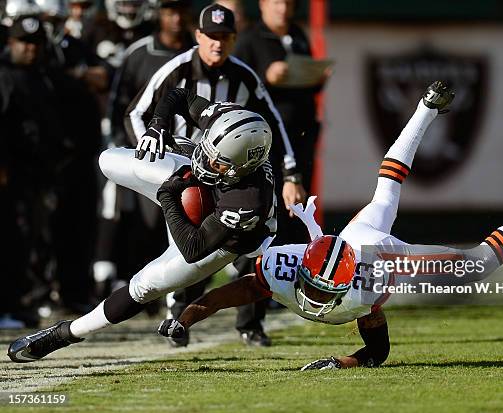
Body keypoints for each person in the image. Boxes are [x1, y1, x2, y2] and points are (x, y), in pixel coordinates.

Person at [153, 81, 503, 369]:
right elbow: (222, 296)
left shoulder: (365, 289)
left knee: (471, 267)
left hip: (378, 255)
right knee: (385, 192)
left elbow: (378, 352)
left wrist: (342, 362)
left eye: (321, 293)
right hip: (350, 241)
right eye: (314, 288)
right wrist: (186, 316)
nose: (313, 298)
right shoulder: (284, 270)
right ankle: (426, 108)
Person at [7, 86, 276, 362]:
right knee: (108, 160)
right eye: (206, 150)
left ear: (240, 168)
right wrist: (158, 126)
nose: (206, 162)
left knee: (145, 286)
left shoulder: (248, 200)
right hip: (197, 187)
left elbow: (193, 248)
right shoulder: (227, 121)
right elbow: (178, 94)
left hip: (217, 240)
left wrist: (168, 197)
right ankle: (185, 156)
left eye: (217, 163)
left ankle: (66, 333)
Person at [125, 3, 305, 345]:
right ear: (198, 36)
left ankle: (250, 325)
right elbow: (135, 112)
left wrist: (291, 173)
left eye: (224, 36)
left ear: (235, 39)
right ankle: (177, 316)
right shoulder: (176, 70)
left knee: (252, 247)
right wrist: (148, 157)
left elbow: (272, 124)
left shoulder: (243, 76)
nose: (217, 43)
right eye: (211, 36)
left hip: (234, 177)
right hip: (187, 175)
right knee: (193, 250)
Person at [230, 0, 328, 346]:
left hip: (295, 142)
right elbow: (248, 94)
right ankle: (183, 302)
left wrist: (316, 78)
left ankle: (277, 292)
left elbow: (307, 92)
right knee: (258, 221)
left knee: (292, 218)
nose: (283, 8)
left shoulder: (298, 36)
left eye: (287, 2)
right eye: (275, 1)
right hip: (262, 144)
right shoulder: (249, 41)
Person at [92, 0, 195, 302]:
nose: (175, 18)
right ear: (159, 14)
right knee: (138, 217)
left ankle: (177, 290)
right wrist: (143, 150)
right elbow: (123, 105)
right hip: (149, 150)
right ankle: (133, 281)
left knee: (185, 220)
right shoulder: (139, 53)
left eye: (180, 11)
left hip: (195, 154)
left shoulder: (198, 52)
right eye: (169, 11)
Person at [0, 14, 102, 316]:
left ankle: (33, 300)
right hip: (13, 174)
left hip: (43, 173)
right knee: (14, 240)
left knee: (39, 239)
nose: (30, 49)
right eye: (24, 42)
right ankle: (14, 303)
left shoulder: (49, 76)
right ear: (11, 42)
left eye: (35, 43)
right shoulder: (4, 75)